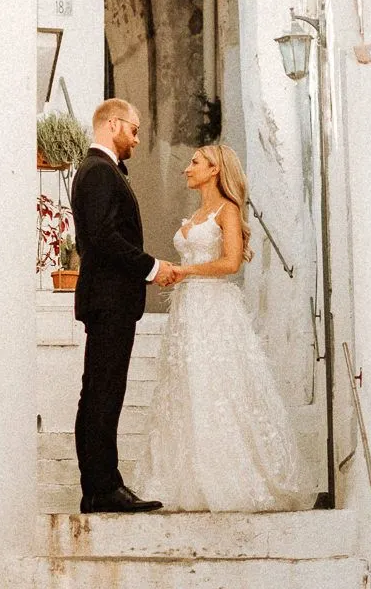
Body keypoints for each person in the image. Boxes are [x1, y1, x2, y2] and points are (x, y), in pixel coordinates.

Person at [133, 143, 316, 512]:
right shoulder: (198, 212)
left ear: (215, 169)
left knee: (215, 385)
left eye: (195, 162)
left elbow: (232, 262)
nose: (187, 168)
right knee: (184, 386)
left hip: (213, 307)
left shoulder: (227, 210)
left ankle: (229, 478)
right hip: (186, 309)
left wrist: (184, 271)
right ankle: (186, 482)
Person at [70, 98, 176, 514]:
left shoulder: (101, 171)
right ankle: (101, 488)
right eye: (132, 130)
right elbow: (103, 237)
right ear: (112, 125)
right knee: (102, 392)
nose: (136, 138)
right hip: (109, 299)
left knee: (102, 391)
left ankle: (101, 485)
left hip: (111, 299)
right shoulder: (99, 171)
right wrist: (150, 267)